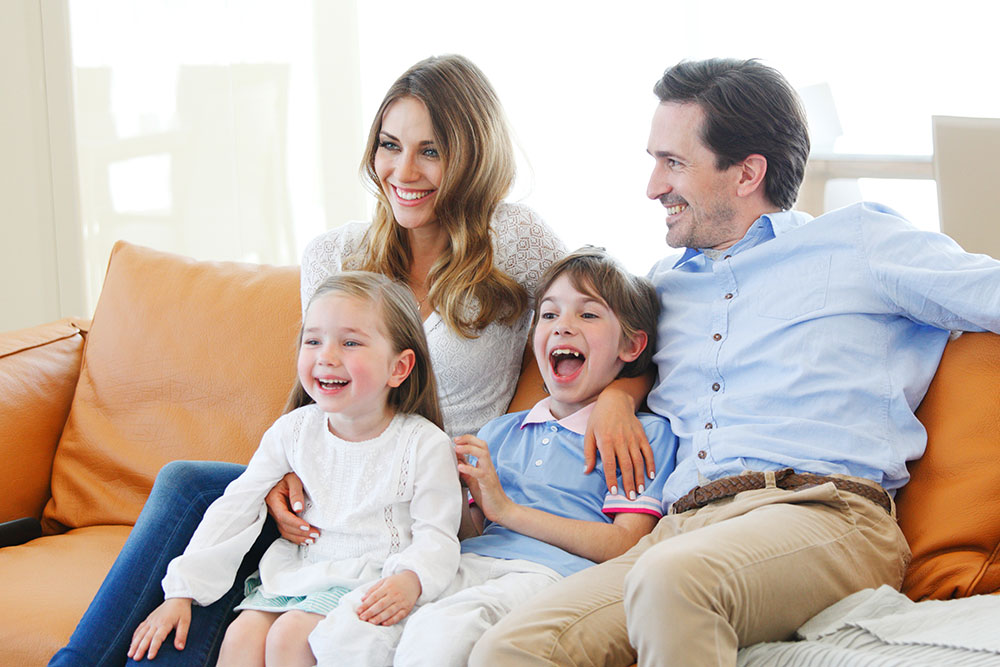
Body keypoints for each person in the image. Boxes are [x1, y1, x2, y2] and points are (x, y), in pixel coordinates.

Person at [51, 54, 649, 667]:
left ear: (471, 157)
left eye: (431, 151)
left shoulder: (513, 239)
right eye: (390, 145)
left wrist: (619, 397)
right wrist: (286, 474)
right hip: (338, 479)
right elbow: (317, 389)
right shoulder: (334, 254)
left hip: (430, 493)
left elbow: (607, 318)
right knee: (196, 494)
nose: (403, 170)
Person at [469, 58, 1000, 666]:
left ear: (748, 172)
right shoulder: (662, 287)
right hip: (681, 529)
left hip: (822, 513)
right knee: (511, 648)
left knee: (675, 582)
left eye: (673, 163)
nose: (652, 187)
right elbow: (620, 353)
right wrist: (620, 395)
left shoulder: (860, 243)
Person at [127, 272, 461, 666]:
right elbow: (237, 506)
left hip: (375, 581)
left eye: (350, 342)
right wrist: (181, 592)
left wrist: (412, 579)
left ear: (399, 368)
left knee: (290, 638)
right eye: (313, 341)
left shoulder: (424, 444)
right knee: (242, 635)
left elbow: (438, 535)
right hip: (300, 574)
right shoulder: (295, 430)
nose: (327, 356)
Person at [391, 247, 678, 666]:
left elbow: (626, 545)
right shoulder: (500, 431)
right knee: (367, 624)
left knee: (443, 634)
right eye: (549, 315)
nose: (563, 327)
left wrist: (506, 510)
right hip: (470, 565)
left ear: (631, 346)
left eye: (588, 314)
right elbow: (475, 531)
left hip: (549, 577)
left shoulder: (641, 435)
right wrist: (448, 489)